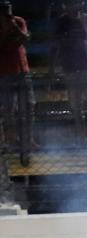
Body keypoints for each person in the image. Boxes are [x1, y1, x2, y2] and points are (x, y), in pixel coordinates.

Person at [51, 0, 87, 141]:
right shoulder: (62, 22)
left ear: (80, 4)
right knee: (76, 108)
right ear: (65, 5)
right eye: (70, 4)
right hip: (69, 69)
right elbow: (54, 45)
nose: (73, 6)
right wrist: (52, 67)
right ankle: (82, 139)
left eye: (75, 3)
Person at [0, 1, 33, 151]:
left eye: (9, 9)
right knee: (8, 109)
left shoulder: (18, 21)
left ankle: (28, 139)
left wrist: (12, 27)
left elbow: (24, 39)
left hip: (22, 71)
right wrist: (11, 38)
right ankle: (11, 140)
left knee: (28, 106)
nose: (8, 13)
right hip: (4, 72)